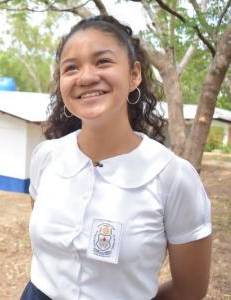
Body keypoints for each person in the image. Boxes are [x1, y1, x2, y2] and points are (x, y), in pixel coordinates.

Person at [20, 15, 212, 300]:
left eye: (103, 62)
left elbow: (189, 290)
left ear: (134, 75)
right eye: (70, 68)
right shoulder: (46, 157)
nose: (85, 77)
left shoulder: (173, 177)